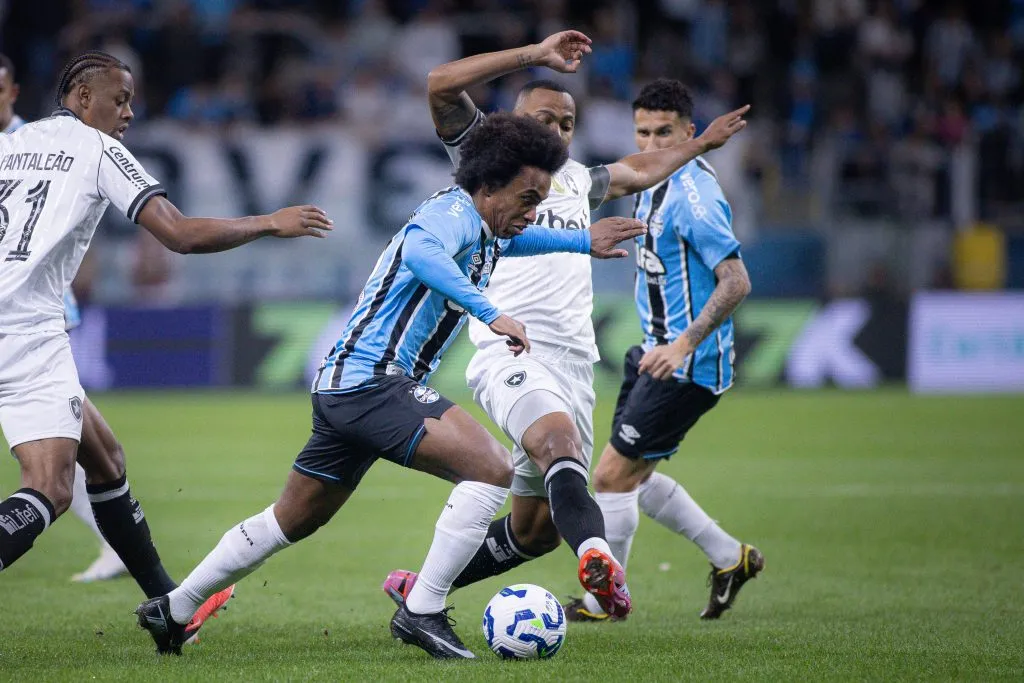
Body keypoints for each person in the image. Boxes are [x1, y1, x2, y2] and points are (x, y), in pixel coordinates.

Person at [134, 112, 646, 659]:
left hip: (346, 387)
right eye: (526, 198)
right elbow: (421, 255)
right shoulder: (449, 213)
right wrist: (490, 312)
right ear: (489, 186)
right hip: (372, 379)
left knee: (292, 518)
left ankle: (173, 608)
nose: (533, 211)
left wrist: (578, 241)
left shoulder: (485, 227)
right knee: (491, 467)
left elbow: (516, 243)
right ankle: (423, 609)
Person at [381, 31, 748, 620]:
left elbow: (640, 168)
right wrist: (532, 55)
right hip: (512, 350)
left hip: (576, 366)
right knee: (560, 445)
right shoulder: (485, 159)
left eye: (566, 124)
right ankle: (603, 567)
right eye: (542, 120)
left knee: (534, 532)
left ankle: (421, 587)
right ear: (511, 125)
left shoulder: (578, 180)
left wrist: (701, 143)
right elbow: (440, 84)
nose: (554, 133)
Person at [0, 51, 330, 637]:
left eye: (133, 99)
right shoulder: (97, 150)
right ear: (81, 98)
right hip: (24, 333)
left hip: (18, 325)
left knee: (105, 460)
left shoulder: (10, 145)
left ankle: (169, 609)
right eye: (119, 98)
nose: (129, 111)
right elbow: (176, 233)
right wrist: (266, 222)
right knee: (49, 488)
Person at [566, 79, 763, 622]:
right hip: (651, 354)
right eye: (643, 132)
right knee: (634, 476)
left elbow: (736, 281)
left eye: (664, 133)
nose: (650, 145)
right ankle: (731, 558)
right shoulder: (651, 179)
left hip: (684, 365)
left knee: (608, 477)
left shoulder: (695, 198)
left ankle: (604, 603)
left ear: (690, 134)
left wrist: (683, 343)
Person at [0, 51, 128, 583]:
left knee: (69, 457)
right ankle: (149, 580)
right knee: (91, 455)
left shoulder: (40, 145)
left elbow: (74, 221)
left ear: (12, 92)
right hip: (18, 320)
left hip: (35, 320)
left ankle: (124, 555)